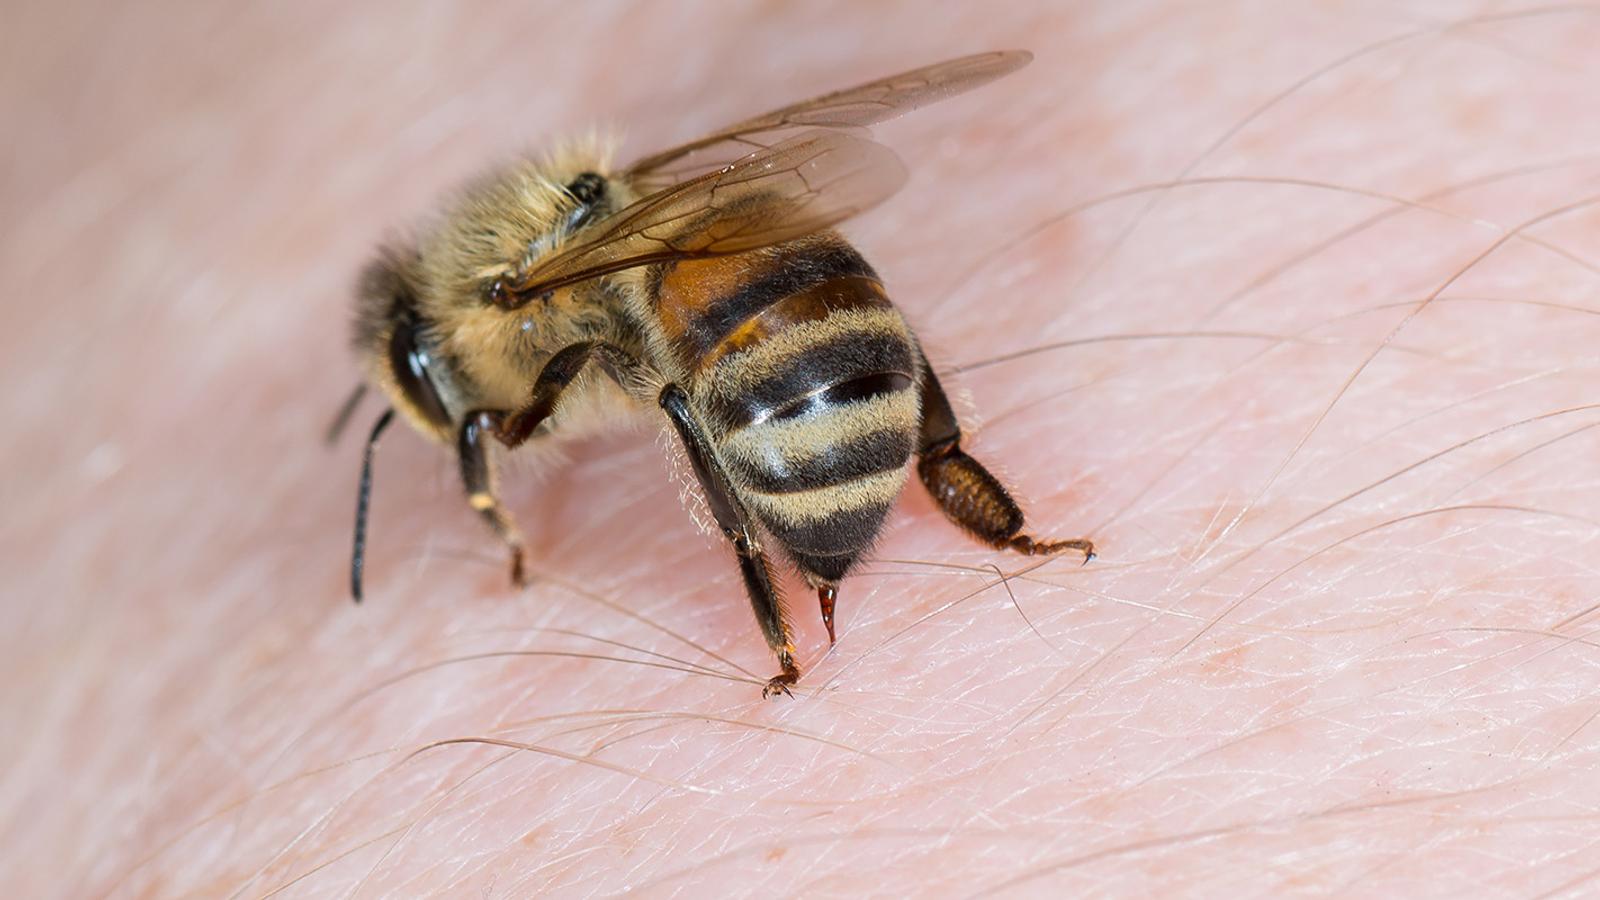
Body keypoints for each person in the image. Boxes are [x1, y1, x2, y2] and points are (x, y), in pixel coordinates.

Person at [10, 3, 1599, 895]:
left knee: (710, 383)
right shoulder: (605, 224)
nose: (464, 421)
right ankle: (985, 516)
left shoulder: (522, 308)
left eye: (443, 396)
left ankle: (787, 615)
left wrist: (503, 504)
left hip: (767, 357)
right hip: (789, 299)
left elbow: (584, 392)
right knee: (737, 351)